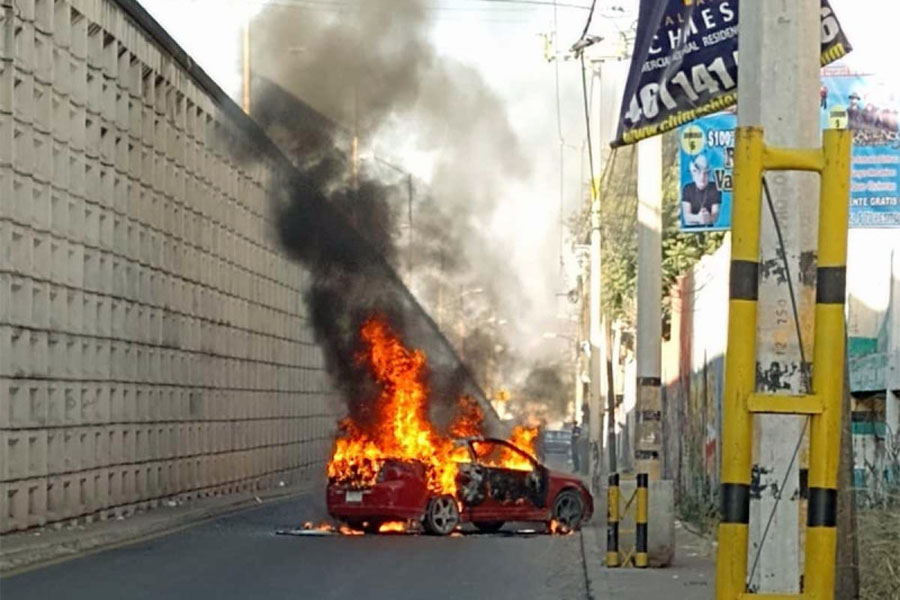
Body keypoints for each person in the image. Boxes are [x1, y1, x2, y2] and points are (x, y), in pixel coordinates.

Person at [682, 153, 721, 226]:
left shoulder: (715, 188)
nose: (702, 177)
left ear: (709, 174)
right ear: (693, 175)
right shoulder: (687, 188)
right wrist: (699, 218)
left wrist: (708, 218)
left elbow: (715, 216)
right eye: (698, 173)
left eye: (705, 173)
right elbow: (686, 216)